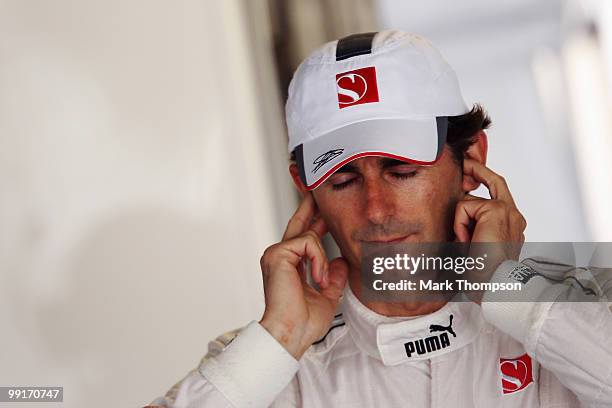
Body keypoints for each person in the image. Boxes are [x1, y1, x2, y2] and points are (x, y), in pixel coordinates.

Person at [147, 30, 612, 407]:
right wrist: (282, 336)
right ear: (306, 189)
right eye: (343, 181)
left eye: (402, 171)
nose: (376, 210)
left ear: (471, 157)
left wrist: (511, 290)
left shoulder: (584, 307)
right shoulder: (268, 363)